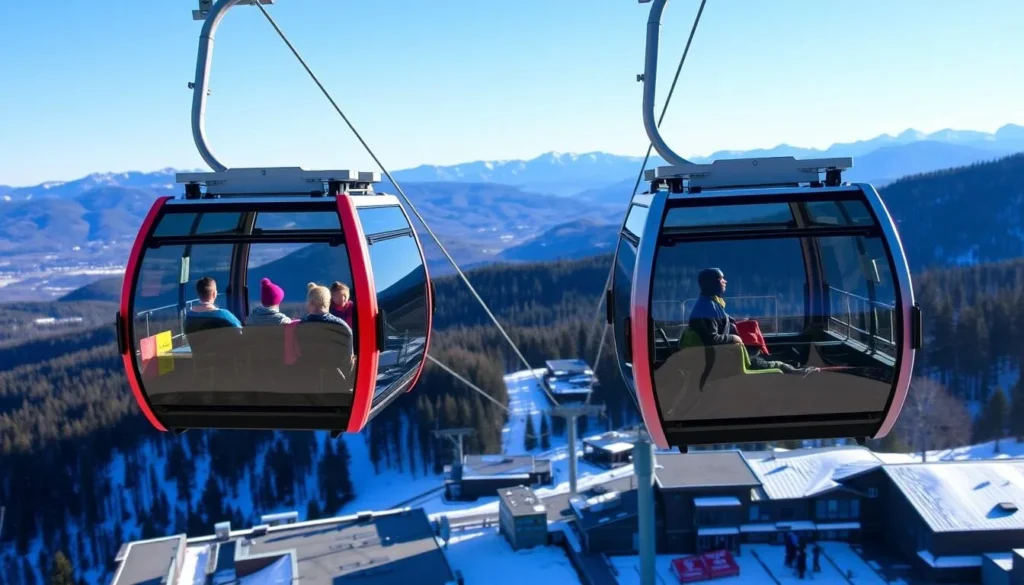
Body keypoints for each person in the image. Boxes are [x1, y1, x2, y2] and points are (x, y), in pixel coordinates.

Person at [688, 267, 817, 375]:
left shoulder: (711, 303)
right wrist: (734, 338)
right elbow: (711, 340)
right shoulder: (707, 308)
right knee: (780, 365)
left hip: (729, 355)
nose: (725, 281)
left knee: (779, 356)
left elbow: (718, 324)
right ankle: (802, 374)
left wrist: (734, 322)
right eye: (721, 278)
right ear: (713, 283)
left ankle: (799, 369)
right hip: (728, 361)